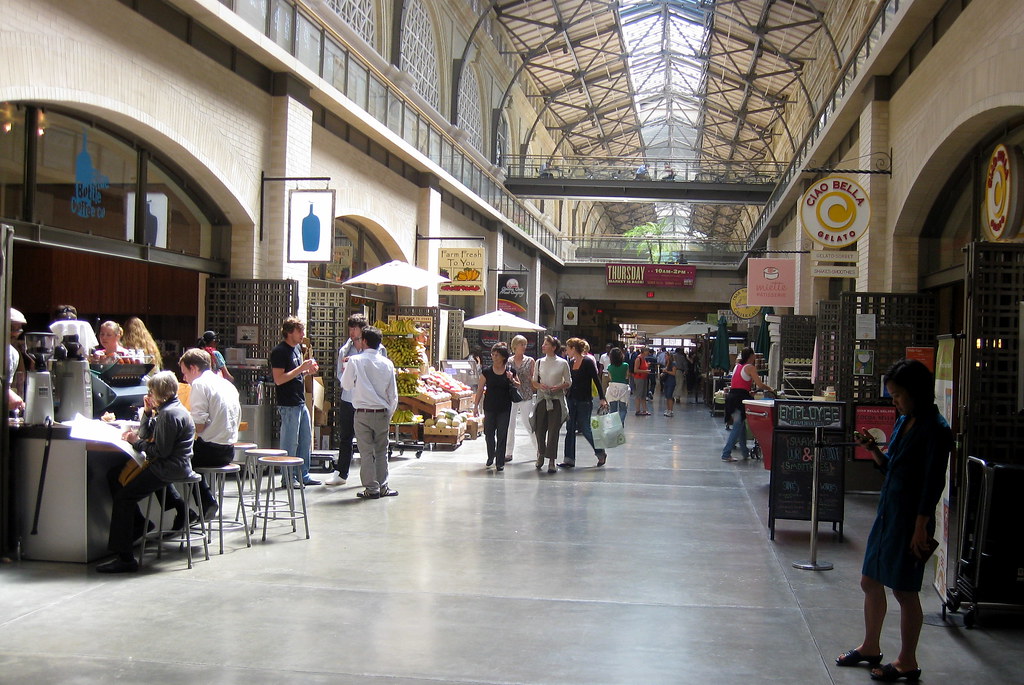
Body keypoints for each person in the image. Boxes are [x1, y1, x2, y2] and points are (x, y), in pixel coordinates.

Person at [837, 359, 952, 683]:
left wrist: (920, 525)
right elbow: (893, 468)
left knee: (904, 590)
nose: (894, 401)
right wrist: (873, 450)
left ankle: (907, 661)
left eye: (898, 395)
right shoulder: (905, 421)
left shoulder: (936, 429)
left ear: (917, 392)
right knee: (870, 580)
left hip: (910, 518)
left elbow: (932, 482)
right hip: (888, 510)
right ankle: (870, 646)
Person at [97, 371, 196, 573]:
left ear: (158, 393)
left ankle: (125, 556)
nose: (148, 395)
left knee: (124, 498)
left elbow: (160, 451)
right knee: (116, 476)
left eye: (150, 391)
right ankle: (138, 526)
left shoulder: (169, 415)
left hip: (167, 468)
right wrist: (147, 414)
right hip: (171, 465)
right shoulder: (170, 409)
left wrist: (136, 442)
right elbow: (147, 434)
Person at [179, 348, 240, 520]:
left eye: (184, 373)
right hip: (229, 450)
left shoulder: (199, 384)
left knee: (174, 458)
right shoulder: (226, 384)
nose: (184, 379)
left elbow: (198, 425)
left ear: (193, 368)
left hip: (211, 451)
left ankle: (200, 504)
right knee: (187, 455)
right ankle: (198, 503)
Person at [340, 326, 398, 499]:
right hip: (381, 413)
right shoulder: (388, 363)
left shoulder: (355, 361)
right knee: (381, 451)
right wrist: (389, 413)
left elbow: (346, 385)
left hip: (362, 413)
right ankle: (383, 486)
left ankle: (371, 488)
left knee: (366, 452)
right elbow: (393, 394)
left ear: (364, 341)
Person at [270, 316, 320, 487]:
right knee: (290, 442)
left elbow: (295, 375)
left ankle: (303, 474)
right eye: (299, 331)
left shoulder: (297, 349)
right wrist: (301, 368)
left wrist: (307, 372)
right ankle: (288, 477)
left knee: (305, 439)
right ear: (289, 332)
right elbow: (279, 379)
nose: (302, 334)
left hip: (300, 401)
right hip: (288, 403)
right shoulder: (280, 351)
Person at [325, 314, 370, 487]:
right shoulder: (345, 350)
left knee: (366, 437)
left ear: (362, 329)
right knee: (345, 436)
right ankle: (341, 473)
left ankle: (369, 473)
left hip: (366, 400)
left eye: (355, 328)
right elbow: (339, 374)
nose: (351, 332)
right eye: (350, 328)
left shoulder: (375, 349)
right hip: (349, 398)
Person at [560, 337, 608, 468]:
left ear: (573, 349)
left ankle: (600, 452)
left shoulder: (587, 362)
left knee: (586, 428)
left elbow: (596, 380)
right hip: (571, 398)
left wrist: (602, 397)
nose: (566, 351)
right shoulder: (570, 362)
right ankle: (569, 459)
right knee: (570, 428)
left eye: (568, 348)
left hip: (584, 400)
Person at [720, 347, 773, 462]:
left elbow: (739, 384)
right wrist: (771, 389)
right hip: (740, 400)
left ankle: (745, 452)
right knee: (737, 426)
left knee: (741, 426)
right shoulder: (750, 368)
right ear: (751, 356)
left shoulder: (737, 366)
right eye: (753, 355)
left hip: (732, 397)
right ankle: (726, 453)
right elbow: (760, 384)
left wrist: (748, 391)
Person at [474, 343, 519, 471]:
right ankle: (490, 455)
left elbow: (518, 385)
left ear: (503, 357)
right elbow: (480, 389)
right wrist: (475, 406)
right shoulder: (487, 372)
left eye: (497, 355)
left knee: (502, 434)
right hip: (489, 406)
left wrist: (512, 379)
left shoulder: (510, 371)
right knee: (488, 433)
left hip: (504, 407)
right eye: (493, 354)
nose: (494, 357)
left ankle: (500, 461)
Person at [532, 335, 570, 473]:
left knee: (554, 431)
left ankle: (551, 460)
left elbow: (568, 381)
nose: (543, 346)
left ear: (554, 348)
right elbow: (534, 381)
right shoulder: (539, 362)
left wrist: (559, 387)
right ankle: (541, 453)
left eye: (546, 344)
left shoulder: (562, 363)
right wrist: (539, 386)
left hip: (556, 400)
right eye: (543, 344)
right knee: (539, 429)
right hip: (542, 399)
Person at [503, 335, 535, 463]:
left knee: (527, 422)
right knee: (510, 425)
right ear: (515, 346)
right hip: (511, 395)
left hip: (526, 394)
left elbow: (534, 377)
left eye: (525, 344)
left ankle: (539, 450)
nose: (524, 347)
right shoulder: (508, 361)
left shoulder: (530, 360)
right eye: (522, 344)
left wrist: (532, 380)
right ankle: (508, 452)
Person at [605, 346, 630, 427]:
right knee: (623, 409)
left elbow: (610, 378)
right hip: (623, 387)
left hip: (612, 387)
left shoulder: (609, 367)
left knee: (613, 409)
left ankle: (614, 425)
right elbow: (627, 377)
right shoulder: (625, 365)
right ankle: (620, 422)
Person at [7, 308, 26, 414]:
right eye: (11, 328)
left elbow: (21, 378)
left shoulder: (13, 353)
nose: (14, 334)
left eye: (18, 329)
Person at [632, 346, 650, 416]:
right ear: (644, 351)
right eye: (647, 351)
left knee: (643, 395)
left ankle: (644, 410)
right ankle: (637, 410)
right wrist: (645, 371)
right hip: (639, 378)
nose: (648, 352)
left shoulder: (644, 358)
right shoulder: (638, 359)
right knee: (639, 394)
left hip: (644, 378)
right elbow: (635, 370)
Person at [660, 350, 676, 417]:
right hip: (666, 381)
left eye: (666, 356)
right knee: (667, 396)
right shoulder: (666, 363)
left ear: (669, 356)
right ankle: (668, 409)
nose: (665, 357)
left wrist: (666, 371)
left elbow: (674, 373)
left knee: (669, 396)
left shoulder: (673, 363)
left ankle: (671, 410)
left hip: (671, 381)